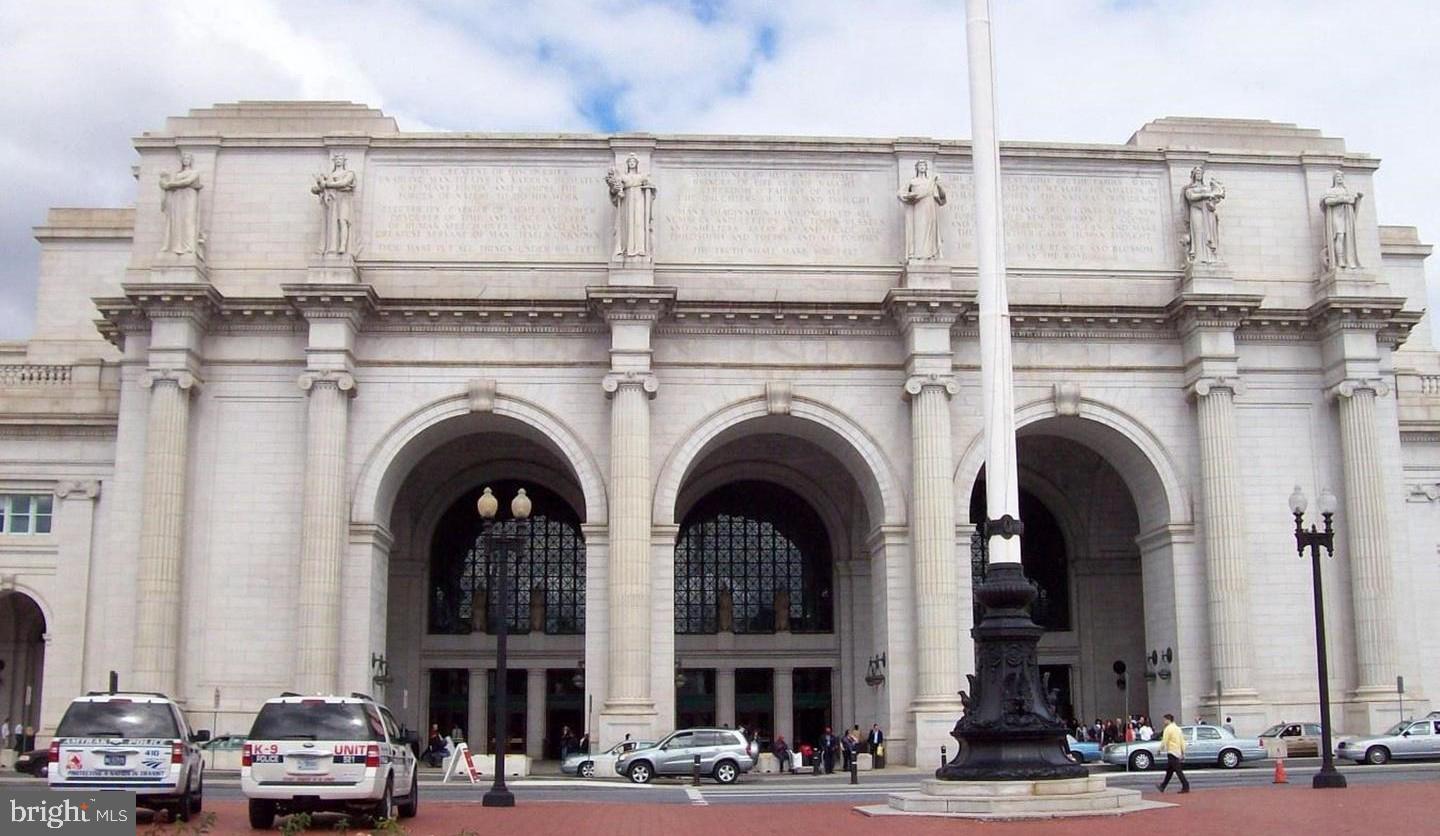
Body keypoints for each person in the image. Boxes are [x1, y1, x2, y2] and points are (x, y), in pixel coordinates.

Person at [606, 153, 657, 258]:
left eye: (633, 162)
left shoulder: (641, 176)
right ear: (627, 164)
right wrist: (616, 189)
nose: (632, 163)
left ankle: (640, 248)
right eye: (630, 162)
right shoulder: (623, 177)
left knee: (639, 223)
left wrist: (649, 187)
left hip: (639, 201)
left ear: (637, 164)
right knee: (627, 223)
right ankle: (627, 248)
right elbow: (614, 189)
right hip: (627, 202)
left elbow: (651, 189)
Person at [897, 160, 947, 260]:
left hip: (929, 206)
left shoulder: (931, 182)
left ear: (926, 168)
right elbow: (900, 193)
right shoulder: (912, 181)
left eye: (924, 165)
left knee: (929, 229)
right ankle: (918, 254)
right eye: (920, 165)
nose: (922, 167)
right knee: (919, 228)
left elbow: (942, 197)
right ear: (917, 168)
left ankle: (930, 254)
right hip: (918, 206)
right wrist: (909, 195)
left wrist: (939, 184)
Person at [1157, 713, 1190, 794]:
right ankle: (1163, 786)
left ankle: (1186, 785)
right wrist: (1183, 752)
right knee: (1170, 770)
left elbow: (1165, 740)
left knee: (1177, 770)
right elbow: (1182, 741)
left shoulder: (1168, 729)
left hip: (1171, 751)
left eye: (1164, 720)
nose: (1164, 721)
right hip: (1177, 751)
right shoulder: (1178, 729)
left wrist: (1160, 749)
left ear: (1168, 720)